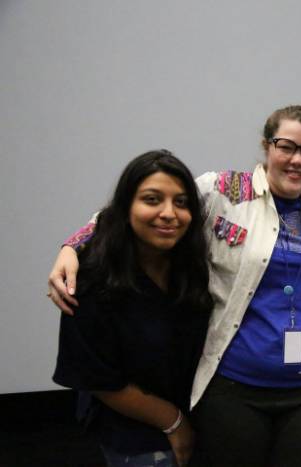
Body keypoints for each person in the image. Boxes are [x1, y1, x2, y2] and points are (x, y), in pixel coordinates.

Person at [49, 105, 301, 467]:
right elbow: (132, 209)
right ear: (266, 145)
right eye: (286, 146)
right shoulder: (222, 190)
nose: (297, 159)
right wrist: (72, 245)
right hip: (237, 384)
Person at [53, 150, 212, 467]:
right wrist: (174, 423)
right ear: (125, 208)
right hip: (135, 435)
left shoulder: (195, 268)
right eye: (152, 200)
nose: (169, 213)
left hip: (202, 421)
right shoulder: (89, 279)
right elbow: (97, 378)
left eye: (181, 203)